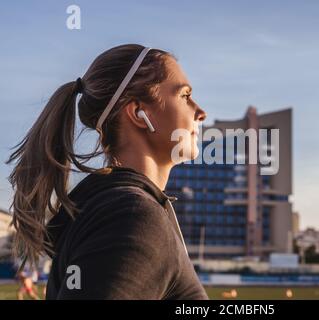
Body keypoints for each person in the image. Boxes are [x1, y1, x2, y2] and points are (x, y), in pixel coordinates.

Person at [6, 44, 208, 299]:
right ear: (139, 113)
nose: (201, 112)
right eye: (185, 96)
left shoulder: (114, 208)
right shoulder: (133, 217)